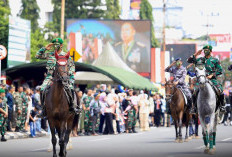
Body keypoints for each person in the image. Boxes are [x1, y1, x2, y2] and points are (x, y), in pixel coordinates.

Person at [36, 38, 77, 116]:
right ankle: (43, 109)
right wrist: (45, 48)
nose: (55, 46)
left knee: (70, 88)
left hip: (64, 78)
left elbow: (72, 66)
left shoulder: (66, 56)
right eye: (54, 45)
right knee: (42, 89)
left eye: (57, 45)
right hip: (50, 77)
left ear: (61, 45)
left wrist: (69, 74)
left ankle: (72, 106)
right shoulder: (49, 54)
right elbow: (37, 56)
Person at [187, 45, 225, 112]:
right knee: (194, 93)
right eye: (204, 50)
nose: (205, 51)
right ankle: (194, 107)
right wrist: (196, 54)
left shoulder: (215, 60)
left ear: (210, 51)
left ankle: (222, 106)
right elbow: (189, 61)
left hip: (212, 80)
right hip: (202, 80)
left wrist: (212, 75)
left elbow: (220, 70)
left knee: (220, 91)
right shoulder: (200, 60)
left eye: (207, 50)